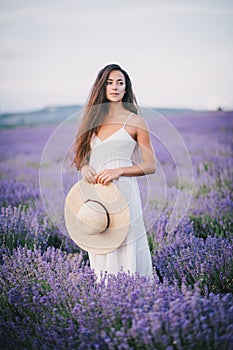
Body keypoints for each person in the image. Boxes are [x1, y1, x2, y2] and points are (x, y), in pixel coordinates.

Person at [73, 63, 157, 279]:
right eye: (110, 82)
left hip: (124, 191)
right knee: (101, 242)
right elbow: (81, 157)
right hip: (95, 194)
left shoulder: (136, 121)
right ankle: (106, 301)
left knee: (126, 245)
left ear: (126, 88)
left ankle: (135, 294)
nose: (115, 87)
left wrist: (119, 170)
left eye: (120, 83)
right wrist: (84, 168)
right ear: (102, 87)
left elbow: (150, 165)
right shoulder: (92, 120)